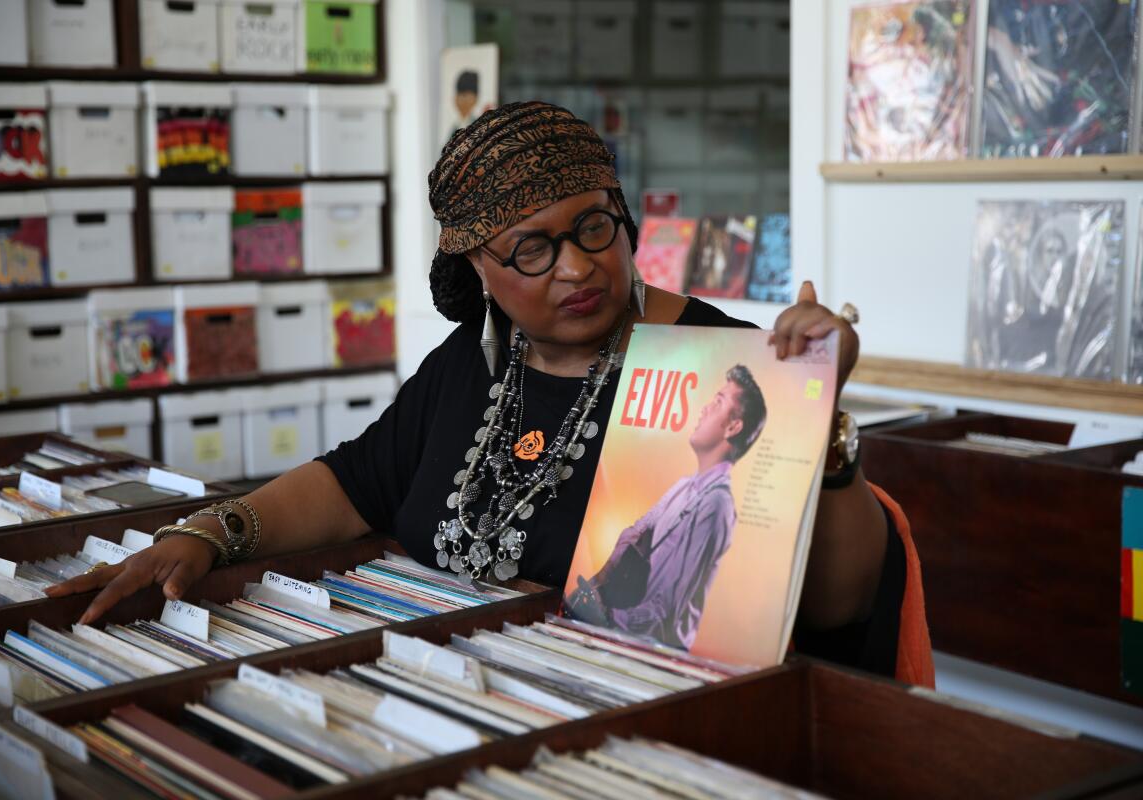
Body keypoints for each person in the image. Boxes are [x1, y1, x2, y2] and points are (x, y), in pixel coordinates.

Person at [48, 102, 932, 685]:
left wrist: (826, 419)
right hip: (446, 700)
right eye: (532, 248)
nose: (579, 266)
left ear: (624, 214)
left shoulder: (723, 367)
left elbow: (837, 608)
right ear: (474, 266)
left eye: (594, 225)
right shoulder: (471, 362)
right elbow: (357, 482)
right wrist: (213, 530)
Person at [565, 365, 767, 650]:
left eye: (718, 402)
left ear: (734, 427)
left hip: (646, 653)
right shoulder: (684, 487)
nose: (704, 409)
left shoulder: (716, 504)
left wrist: (603, 614)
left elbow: (665, 609)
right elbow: (634, 532)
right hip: (617, 635)